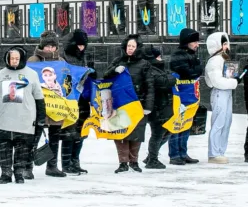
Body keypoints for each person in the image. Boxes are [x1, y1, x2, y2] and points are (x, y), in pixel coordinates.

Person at [0, 47, 45, 184]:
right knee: (4, 148)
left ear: (22, 59)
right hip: (4, 120)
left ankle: (19, 172)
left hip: (25, 119)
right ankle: (5, 173)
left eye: (16, 59)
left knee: (23, 148)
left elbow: (39, 98)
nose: (14, 61)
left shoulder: (31, 74)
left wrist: (41, 117)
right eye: (11, 58)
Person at [104, 35, 150, 173]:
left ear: (137, 48)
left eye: (133, 46)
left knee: (136, 132)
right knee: (121, 132)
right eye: (128, 46)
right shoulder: (118, 61)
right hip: (120, 103)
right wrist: (114, 70)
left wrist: (148, 105)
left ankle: (134, 161)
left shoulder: (144, 64)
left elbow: (149, 85)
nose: (130, 49)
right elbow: (106, 76)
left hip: (137, 102)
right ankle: (123, 162)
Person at [33, 32, 67, 177]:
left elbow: (67, 80)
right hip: (38, 107)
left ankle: (52, 166)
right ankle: (27, 167)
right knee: (34, 136)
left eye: (53, 46)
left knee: (55, 137)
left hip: (56, 108)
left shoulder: (61, 61)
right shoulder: (33, 60)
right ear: (42, 46)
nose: (50, 49)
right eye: (47, 46)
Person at [60, 29, 93, 175]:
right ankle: (66, 163)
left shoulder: (84, 56)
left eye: (83, 45)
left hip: (83, 98)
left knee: (81, 131)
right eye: (79, 45)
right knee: (69, 132)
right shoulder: (64, 56)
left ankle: (75, 161)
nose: (81, 48)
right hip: (70, 98)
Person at [167, 28, 202, 165]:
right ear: (187, 42)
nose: (197, 44)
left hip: (189, 96)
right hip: (180, 96)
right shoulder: (178, 55)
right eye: (194, 42)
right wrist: (196, 68)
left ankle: (183, 152)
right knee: (177, 125)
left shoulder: (191, 55)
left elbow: (196, 71)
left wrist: (196, 69)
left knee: (186, 125)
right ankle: (174, 154)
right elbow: (189, 72)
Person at [204, 32, 238, 164]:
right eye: (224, 44)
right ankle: (214, 152)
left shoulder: (223, 59)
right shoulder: (215, 60)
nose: (227, 46)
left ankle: (220, 151)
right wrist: (234, 83)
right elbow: (217, 81)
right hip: (219, 92)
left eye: (227, 43)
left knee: (226, 121)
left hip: (226, 91)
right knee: (219, 121)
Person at [143, 45, 176, 170]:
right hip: (157, 106)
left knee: (166, 132)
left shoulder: (157, 68)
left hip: (162, 105)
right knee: (158, 133)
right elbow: (166, 81)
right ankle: (152, 159)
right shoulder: (151, 69)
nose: (161, 58)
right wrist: (171, 78)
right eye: (158, 56)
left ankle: (152, 155)